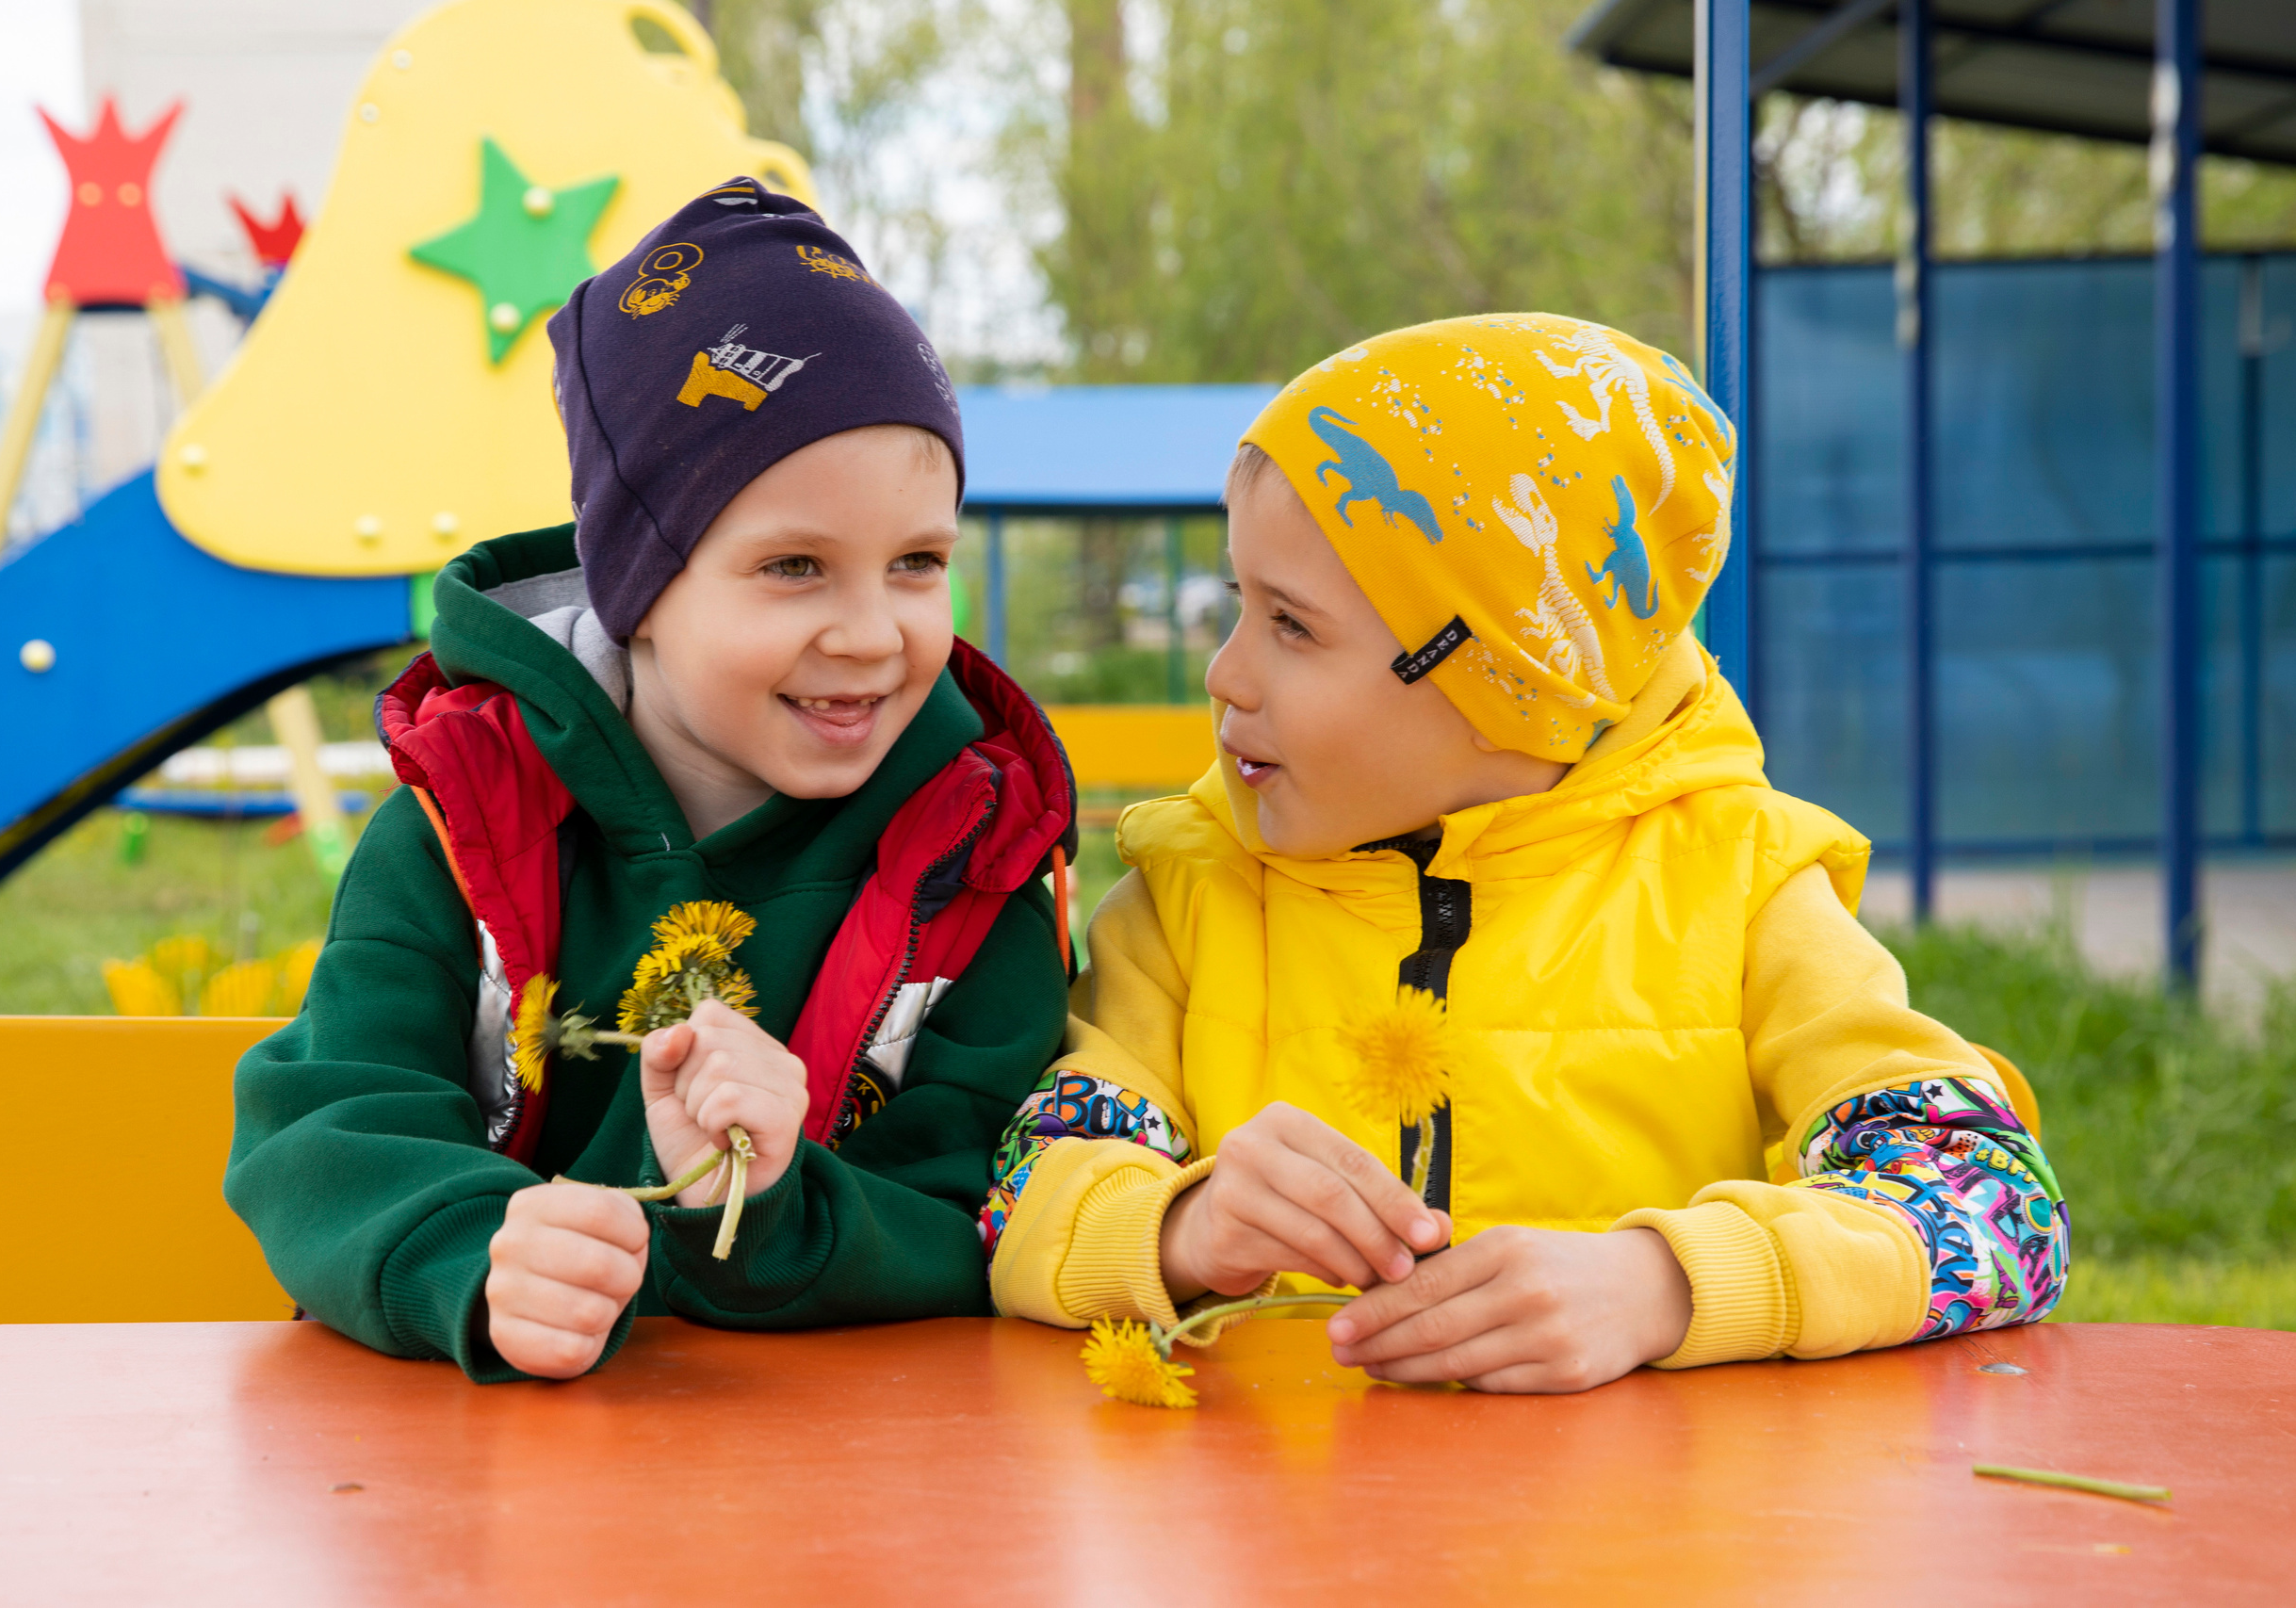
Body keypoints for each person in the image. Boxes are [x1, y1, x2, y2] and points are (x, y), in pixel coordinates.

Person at [985, 314, 2065, 1391]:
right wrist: (1181, 1226)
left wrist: (1666, 1286)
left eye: (1291, 626)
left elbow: (1995, 1207)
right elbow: (1017, 1194)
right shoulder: (1187, 892)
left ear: (1509, 687)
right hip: (1273, 1541)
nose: (1223, 674)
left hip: (1646, 1544)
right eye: (1239, 606)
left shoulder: (1740, 885)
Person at [227, 181, 1074, 1383]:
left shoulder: (972, 861)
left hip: (858, 1489)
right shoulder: (462, 826)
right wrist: (479, 1257)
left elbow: (986, 1207)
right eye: (793, 566)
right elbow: (326, 1127)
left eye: (917, 564)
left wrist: (774, 1203)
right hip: (486, 1491)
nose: (873, 632)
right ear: (635, 585)